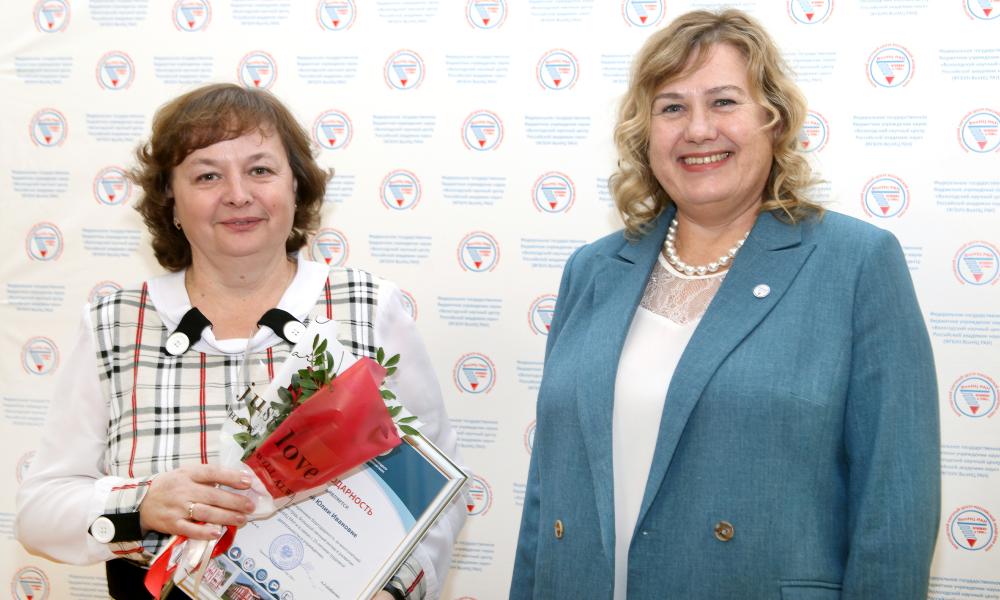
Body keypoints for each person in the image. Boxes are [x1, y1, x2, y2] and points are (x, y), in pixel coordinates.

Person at [510, 9, 939, 599]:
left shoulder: (855, 264)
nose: (698, 129)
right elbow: (545, 493)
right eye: (672, 108)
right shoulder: (592, 270)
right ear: (645, 133)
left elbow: (895, 507)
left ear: (773, 121)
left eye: (724, 102)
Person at [16, 83, 465, 600]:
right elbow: (39, 511)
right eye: (207, 175)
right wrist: (141, 504)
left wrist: (394, 592)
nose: (237, 194)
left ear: (296, 186)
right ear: (171, 201)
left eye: (260, 170)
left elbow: (433, 494)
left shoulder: (369, 308)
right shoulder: (113, 323)